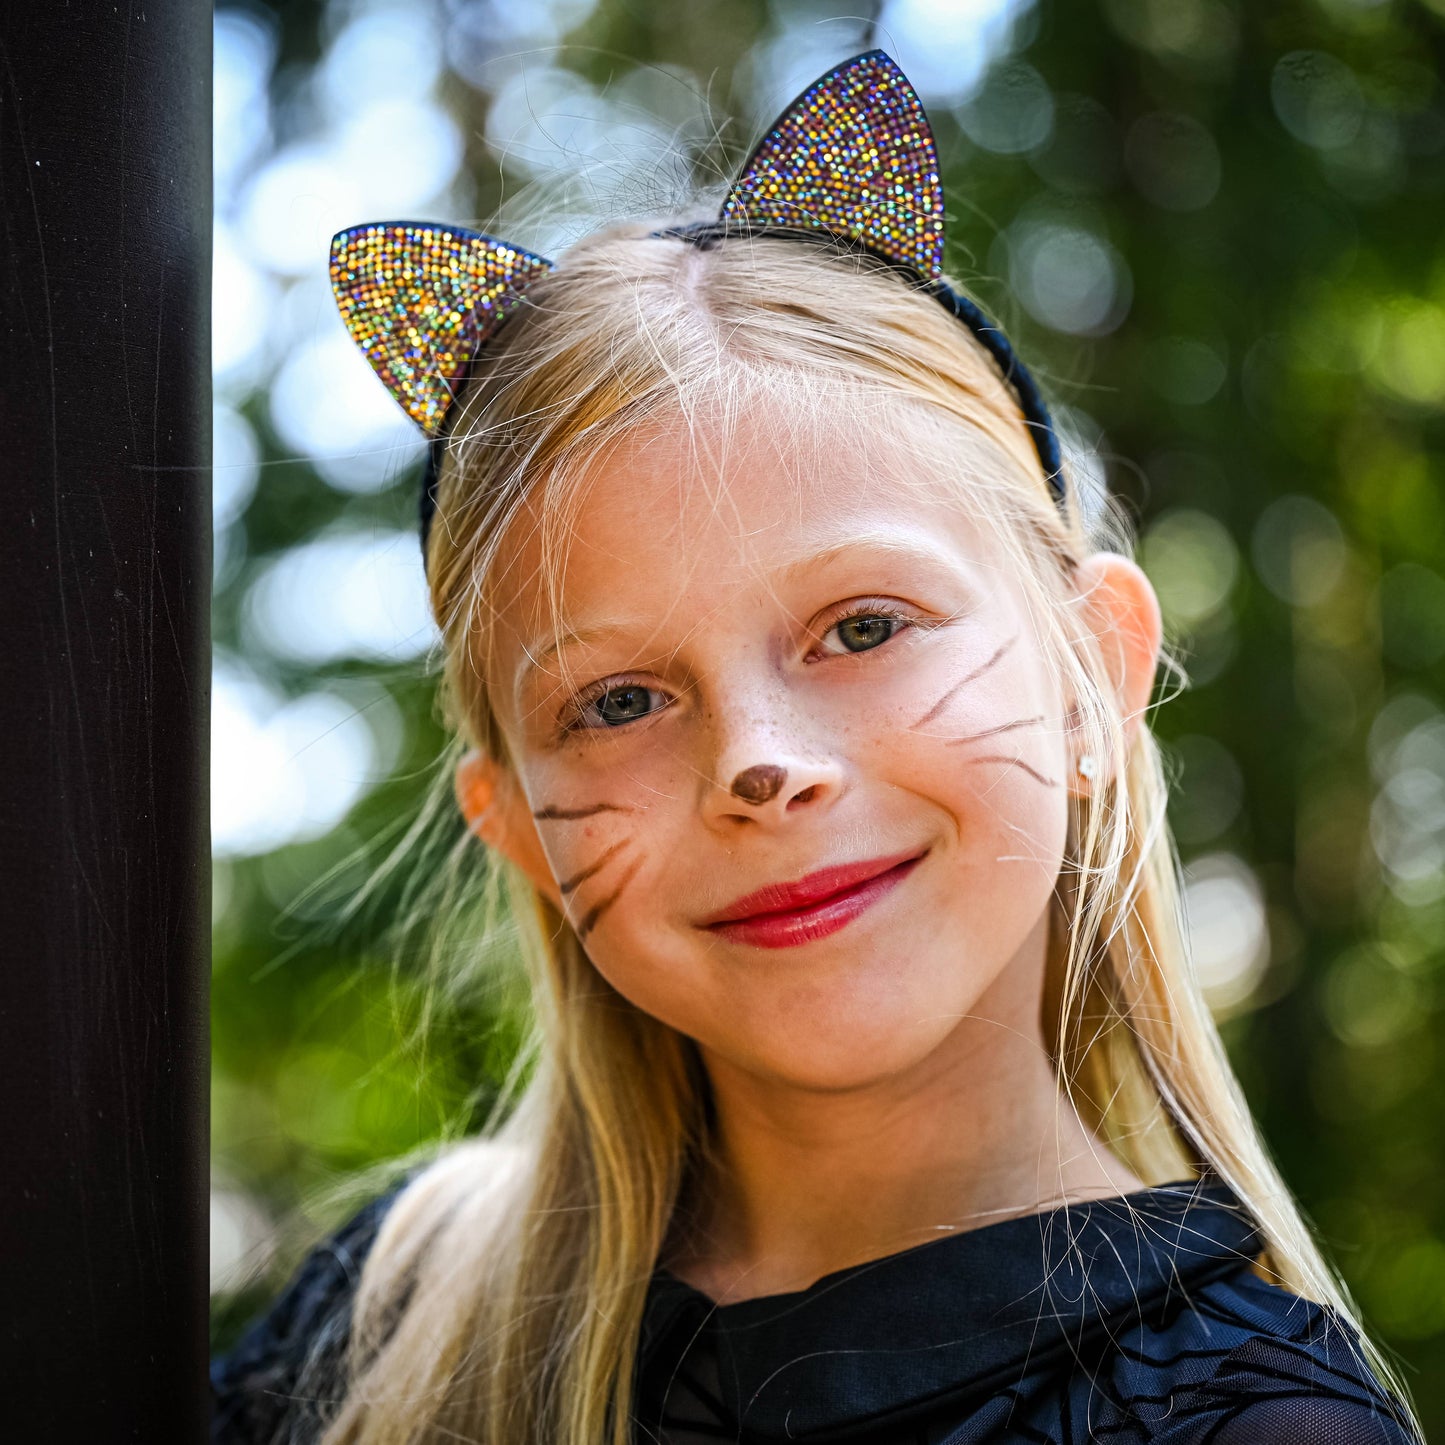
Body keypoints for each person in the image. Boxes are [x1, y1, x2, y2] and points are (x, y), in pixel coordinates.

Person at [211, 51, 1425, 1445]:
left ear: (1093, 675)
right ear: (517, 826)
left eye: (860, 625)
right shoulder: (375, 1324)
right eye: (616, 701)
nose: (757, 761)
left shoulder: (1254, 1428)